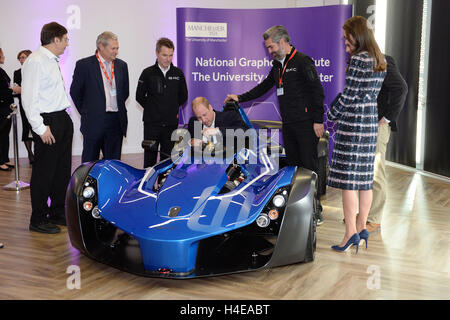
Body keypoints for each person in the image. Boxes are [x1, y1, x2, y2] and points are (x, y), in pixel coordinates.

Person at [224, 25, 325, 224]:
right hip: (288, 124)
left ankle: (316, 209)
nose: (269, 51)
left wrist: (318, 120)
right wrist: (240, 97)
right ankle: (298, 207)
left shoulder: (303, 61)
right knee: (294, 168)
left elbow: (317, 91)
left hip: (306, 125)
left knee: (309, 167)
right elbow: (264, 87)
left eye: (271, 47)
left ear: (282, 42)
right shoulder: (278, 66)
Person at [327, 16, 386, 252]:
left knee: (349, 183)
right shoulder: (378, 59)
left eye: (347, 37)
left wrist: (331, 114)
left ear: (356, 35)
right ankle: (362, 227)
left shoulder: (358, 60)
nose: (345, 42)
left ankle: (350, 232)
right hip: (370, 122)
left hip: (353, 124)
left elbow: (349, 96)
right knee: (364, 180)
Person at [21, 22, 73, 234]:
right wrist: (40, 128)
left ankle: (57, 212)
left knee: (61, 171)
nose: (68, 43)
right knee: (44, 173)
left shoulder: (51, 60)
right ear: (56, 39)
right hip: (47, 122)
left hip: (61, 118)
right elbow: (29, 99)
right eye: (66, 39)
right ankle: (38, 218)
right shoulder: (35, 61)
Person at [70, 31, 129, 163]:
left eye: (117, 48)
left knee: (114, 164)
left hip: (115, 122)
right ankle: (88, 184)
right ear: (101, 47)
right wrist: (87, 112)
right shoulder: (84, 65)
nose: (116, 51)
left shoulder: (122, 66)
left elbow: (125, 92)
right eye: (113, 48)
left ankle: (111, 185)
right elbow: (75, 92)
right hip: (93, 122)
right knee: (89, 163)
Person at [366, 55, 408, 233]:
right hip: (364, 124)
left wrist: (388, 117)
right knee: (366, 172)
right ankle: (365, 215)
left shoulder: (383, 59)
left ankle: (374, 219)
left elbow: (401, 88)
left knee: (376, 172)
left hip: (378, 125)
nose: (347, 44)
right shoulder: (361, 61)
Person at [136, 37, 188, 168]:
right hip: (151, 125)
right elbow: (139, 96)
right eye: (165, 55)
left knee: (168, 159)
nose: (168, 59)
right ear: (157, 53)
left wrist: (171, 109)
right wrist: (152, 109)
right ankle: (147, 187)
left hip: (171, 125)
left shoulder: (178, 73)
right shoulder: (147, 73)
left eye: (171, 55)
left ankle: (163, 186)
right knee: (149, 159)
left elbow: (183, 96)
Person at [12, 49, 34, 164]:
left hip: (36, 104)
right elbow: (17, 89)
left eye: (23, 57)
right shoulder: (17, 72)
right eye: (20, 58)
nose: (21, 60)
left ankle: (40, 153)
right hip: (24, 104)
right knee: (26, 128)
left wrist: (23, 89)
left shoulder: (35, 70)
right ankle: (30, 154)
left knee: (37, 128)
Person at [0, 47, 14, 171]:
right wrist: (12, 90)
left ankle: (5, 158)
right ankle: (0, 161)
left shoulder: (1, 71)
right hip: (1, 107)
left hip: (7, 107)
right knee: (1, 134)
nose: (4, 56)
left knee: (5, 134)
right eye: (2, 55)